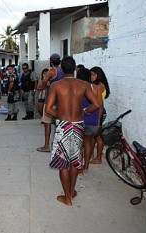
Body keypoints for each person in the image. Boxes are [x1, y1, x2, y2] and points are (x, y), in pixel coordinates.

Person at [46, 56, 99, 206]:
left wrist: (60, 115)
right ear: (75, 69)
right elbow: (95, 104)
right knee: (75, 161)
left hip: (63, 126)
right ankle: (71, 191)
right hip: (78, 125)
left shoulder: (56, 85)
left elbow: (48, 109)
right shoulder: (83, 84)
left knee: (63, 162)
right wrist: (84, 112)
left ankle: (67, 197)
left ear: (62, 68)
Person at [36, 53, 65, 152]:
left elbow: (42, 86)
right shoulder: (62, 71)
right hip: (61, 100)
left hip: (51, 100)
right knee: (59, 124)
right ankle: (59, 145)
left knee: (47, 123)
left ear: (51, 62)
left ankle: (46, 146)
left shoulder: (51, 71)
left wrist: (41, 85)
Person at [76, 68, 103, 173]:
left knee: (78, 144)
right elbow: (100, 106)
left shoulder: (77, 88)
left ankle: (79, 167)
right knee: (88, 143)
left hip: (79, 119)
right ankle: (86, 166)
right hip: (92, 120)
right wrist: (98, 122)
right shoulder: (96, 88)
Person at [89, 66, 111, 165]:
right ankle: (92, 155)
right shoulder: (97, 85)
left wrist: (98, 119)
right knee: (94, 135)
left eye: (93, 74)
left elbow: (98, 104)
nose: (91, 76)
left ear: (98, 75)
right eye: (91, 74)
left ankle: (98, 158)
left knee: (97, 136)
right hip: (97, 111)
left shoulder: (99, 86)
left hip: (99, 111)